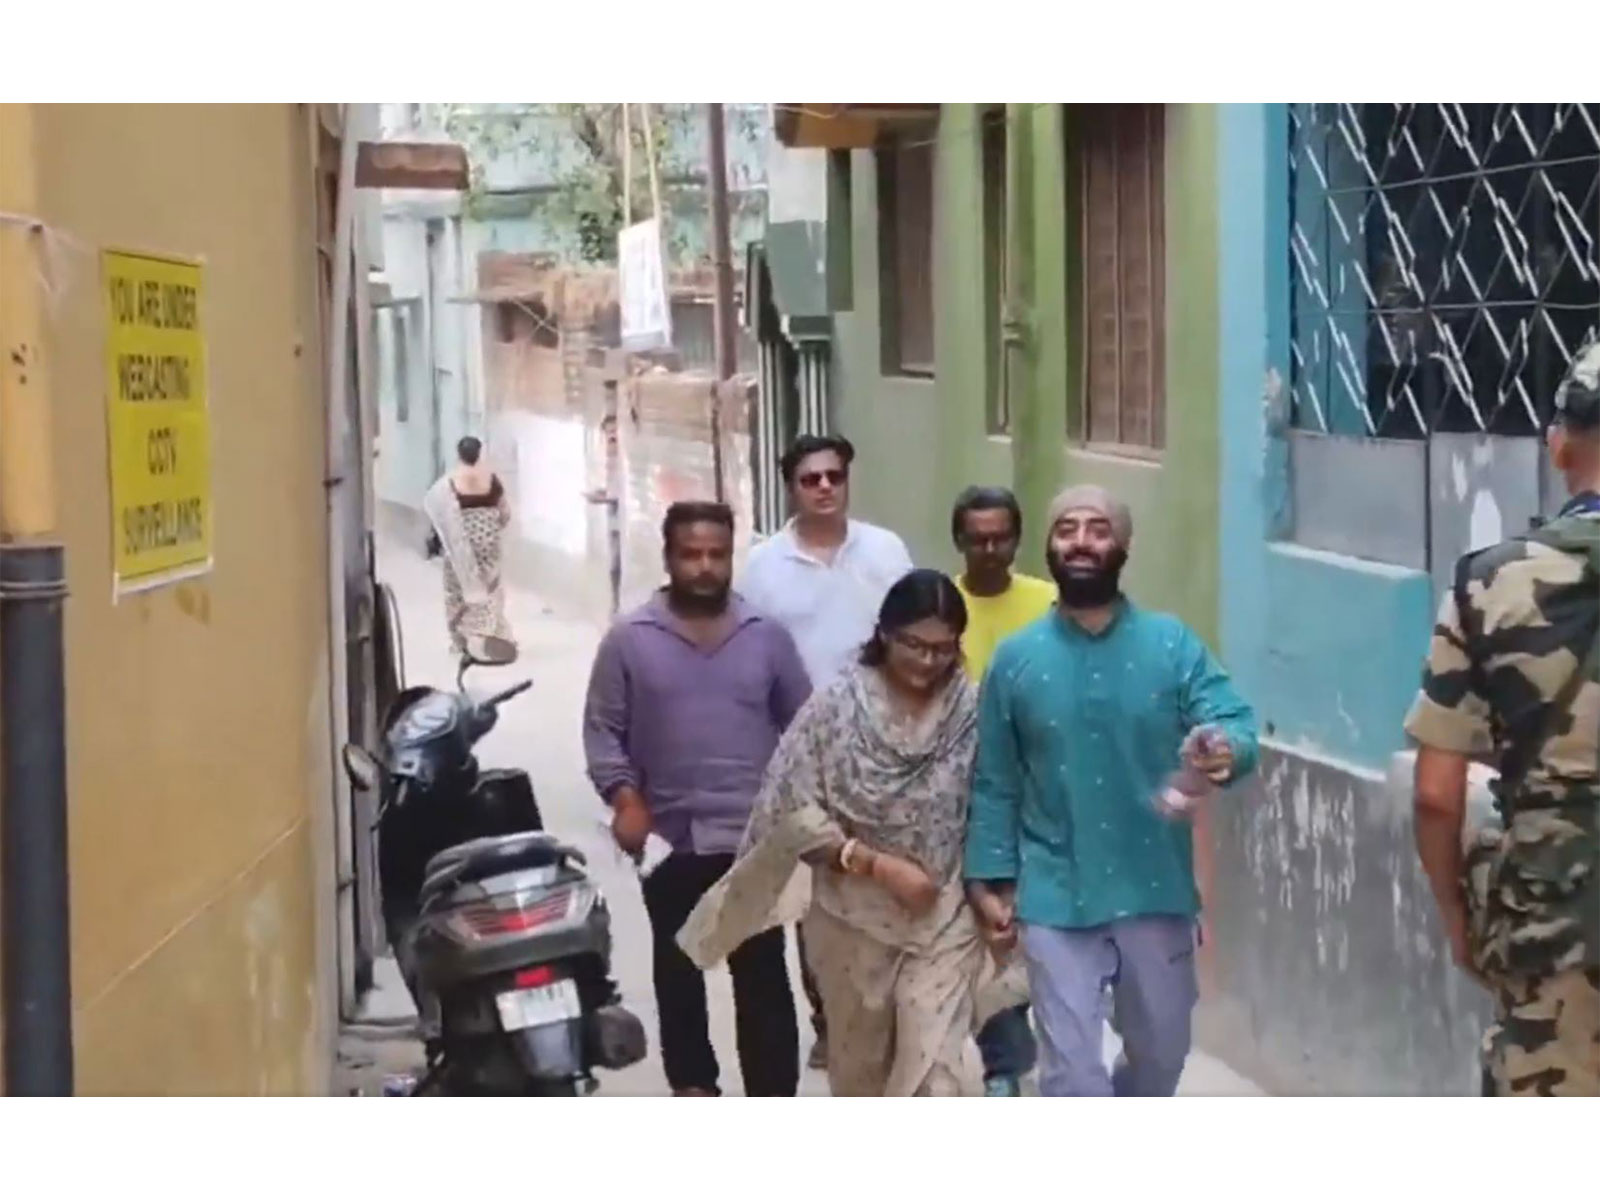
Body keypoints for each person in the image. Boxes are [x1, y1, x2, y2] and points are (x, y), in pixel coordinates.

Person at [964, 484, 1260, 1097]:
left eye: (1097, 529)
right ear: (1049, 547)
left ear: (1122, 546)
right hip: (1054, 893)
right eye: (1066, 529)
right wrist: (989, 878)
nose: (1081, 542)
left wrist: (1225, 748)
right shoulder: (1016, 660)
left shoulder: (1172, 645)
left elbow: (1231, 720)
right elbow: (995, 779)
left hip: (1154, 887)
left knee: (1161, 1056)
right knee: (1073, 1075)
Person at [679, 570, 997, 1096]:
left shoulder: (972, 711)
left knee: (938, 1076)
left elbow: (999, 799)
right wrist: (875, 865)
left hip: (943, 915)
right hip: (853, 918)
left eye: (943, 649)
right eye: (914, 644)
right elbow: (793, 808)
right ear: (884, 633)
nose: (928, 661)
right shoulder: (836, 709)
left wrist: (990, 891)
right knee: (862, 1075)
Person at [1405, 340, 1600, 1097]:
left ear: (1558, 446)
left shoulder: (1489, 584)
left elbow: (1435, 795)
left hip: (1551, 927)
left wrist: (1459, 921)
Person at [582, 501, 810, 1097]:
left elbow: (807, 730)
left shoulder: (766, 638)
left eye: (717, 554)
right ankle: (693, 1089)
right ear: (668, 557)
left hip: (753, 842)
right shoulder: (630, 640)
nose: (705, 567)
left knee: (762, 978)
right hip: (669, 838)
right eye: (691, 554)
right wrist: (625, 798)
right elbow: (603, 731)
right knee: (678, 973)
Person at [739, 433, 914, 1067]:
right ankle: (829, 1015)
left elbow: (913, 633)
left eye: (833, 476)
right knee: (815, 893)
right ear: (791, 487)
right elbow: (749, 656)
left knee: (883, 885)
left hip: (882, 747)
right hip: (800, 754)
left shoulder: (886, 551)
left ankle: (887, 1011)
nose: (823, 488)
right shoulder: (762, 567)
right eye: (810, 478)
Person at [950, 485, 1056, 1096]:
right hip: (964, 798)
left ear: (1017, 539)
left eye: (1001, 539)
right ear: (958, 541)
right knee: (990, 930)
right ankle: (1005, 1065)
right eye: (978, 540)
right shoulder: (941, 604)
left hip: (1043, 794)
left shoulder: (1048, 602)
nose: (990, 550)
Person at [423, 435, 514, 656]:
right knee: (490, 587)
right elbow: (505, 512)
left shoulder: (449, 483)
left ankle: (461, 639)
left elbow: (438, 511)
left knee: (456, 588)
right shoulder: (491, 479)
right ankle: (488, 632)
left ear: (459, 454)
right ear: (479, 453)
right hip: (488, 542)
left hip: (460, 544)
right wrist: (491, 528)